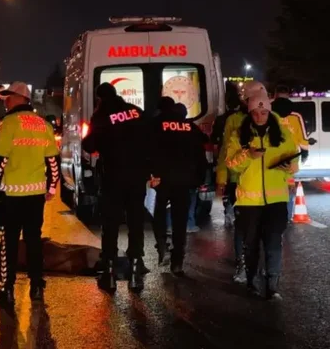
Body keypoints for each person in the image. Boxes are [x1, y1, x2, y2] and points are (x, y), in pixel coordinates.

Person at [0, 82, 60, 307]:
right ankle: (36, 285)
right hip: (35, 195)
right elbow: (52, 159)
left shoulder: (9, 124)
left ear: (20, 98)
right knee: (34, 239)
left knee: (9, 242)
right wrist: (52, 186)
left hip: (12, 196)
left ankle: (7, 290)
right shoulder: (43, 124)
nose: (5, 101)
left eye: (9, 97)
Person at [225, 93, 298, 300]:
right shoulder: (239, 135)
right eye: (255, 113)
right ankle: (253, 282)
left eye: (264, 112)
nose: (259, 116)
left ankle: (273, 284)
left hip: (276, 200)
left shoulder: (283, 134)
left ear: (269, 112)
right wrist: (248, 155)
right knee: (252, 244)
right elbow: (232, 164)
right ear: (250, 113)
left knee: (274, 242)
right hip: (249, 201)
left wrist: (289, 167)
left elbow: (294, 164)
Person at [82, 82, 150, 293]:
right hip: (137, 176)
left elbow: (89, 145)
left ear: (100, 99)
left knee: (110, 223)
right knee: (135, 220)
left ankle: (109, 272)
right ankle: (136, 268)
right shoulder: (136, 112)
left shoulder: (102, 117)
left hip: (112, 177)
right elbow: (150, 139)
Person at [216, 80, 268, 279]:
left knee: (264, 227)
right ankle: (242, 264)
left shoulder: (273, 119)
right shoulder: (234, 120)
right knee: (242, 226)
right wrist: (222, 179)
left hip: (265, 182)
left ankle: (259, 263)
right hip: (239, 182)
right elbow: (224, 154)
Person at [151, 103, 207, 274]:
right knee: (180, 221)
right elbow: (201, 153)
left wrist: (150, 173)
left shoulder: (159, 126)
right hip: (184, 181)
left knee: (159, 213)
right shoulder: (191, 128)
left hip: (161, 180)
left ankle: (162, 244)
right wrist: (199, 179)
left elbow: (148, 149)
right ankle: (178, 261)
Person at [271, 85, 310, 222]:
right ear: (288, 94)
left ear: (275, 94)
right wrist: (305, 153)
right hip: (290, 157)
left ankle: (271, 216)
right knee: (288, 186)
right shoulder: (296, 114)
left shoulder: (268, 111)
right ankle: (285, 217)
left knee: (270, 186)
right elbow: (303, 137)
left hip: (270, 155)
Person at [211, 82, 241, 228]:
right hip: (241, 162)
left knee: (227, 187)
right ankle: (234, 211)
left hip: (226, 158)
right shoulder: (243, 117)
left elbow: (216, 142)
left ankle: (229, 210)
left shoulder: (222, 119)